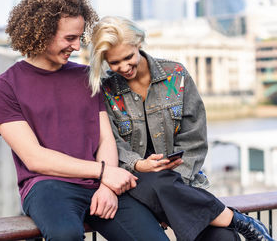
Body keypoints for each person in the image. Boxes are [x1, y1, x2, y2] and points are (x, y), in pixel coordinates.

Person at [0, 0, 170, 241]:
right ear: (43, 32)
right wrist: (103, 172)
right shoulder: (7, 87)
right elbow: (35, 158)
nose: (76, 46)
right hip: (47, 186)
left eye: (79, 37)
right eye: (69, 38)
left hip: (99, 183)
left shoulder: (86, 77)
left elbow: (106, 139)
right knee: (65, 236)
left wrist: (107, 186)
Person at [89, 16, 274, 241]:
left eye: (128, 57)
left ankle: (230, 223)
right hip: (133, 183)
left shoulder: (176, 74)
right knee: (155, 180)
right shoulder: (106, 89)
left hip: (180, 184)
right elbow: (111, 142)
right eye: (114, 63)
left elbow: (195, 139)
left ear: (139, 44)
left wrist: (174, 187)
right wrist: (138, 164)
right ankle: (238, 220)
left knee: (223, 238)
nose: (124, 67)